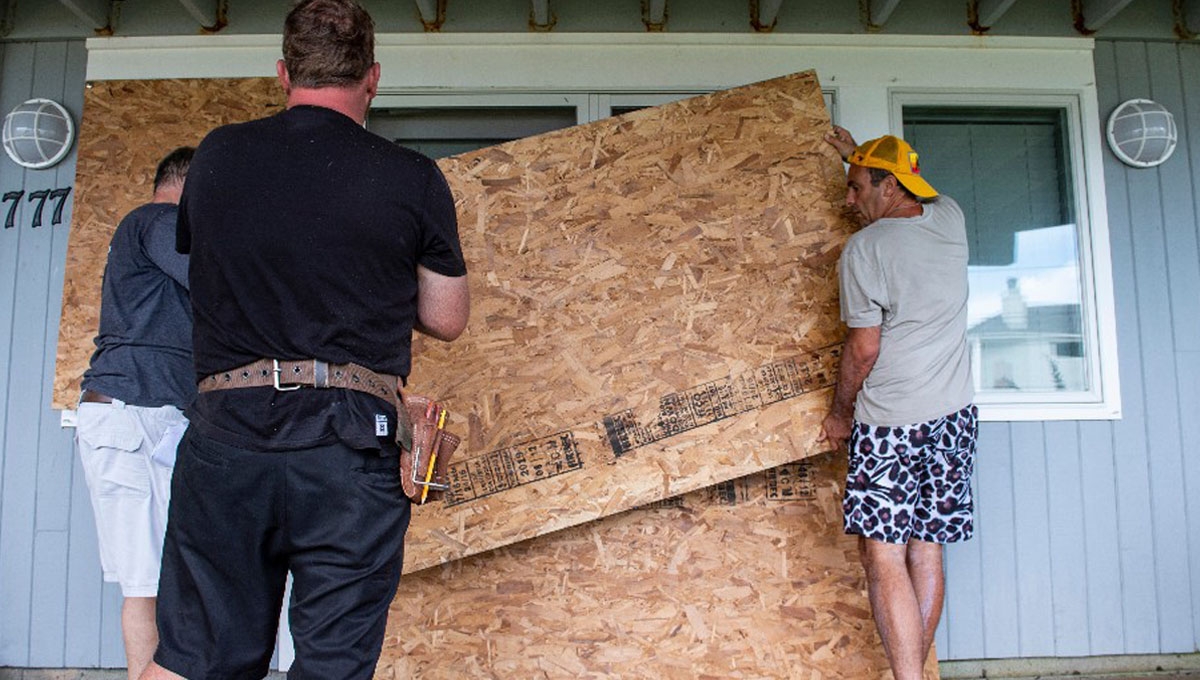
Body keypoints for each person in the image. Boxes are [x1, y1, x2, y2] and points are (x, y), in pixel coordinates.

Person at [140, 1, 470, 678]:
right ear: (372, 77)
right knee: (330, 666)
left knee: (196, 660)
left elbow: (208, 261)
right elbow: (446, 316)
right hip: (351, 445)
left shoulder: (218, 157)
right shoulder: (412, 177)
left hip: (228, 435)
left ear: (284, 74)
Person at [817, 126, 976, 680]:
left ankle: (907, 677)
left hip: (891, 423)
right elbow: (913, 190)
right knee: (926, 549)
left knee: (883, 554)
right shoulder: (951, 219)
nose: (848, 200)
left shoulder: (865, 250)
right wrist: (856, 156)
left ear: (887, 188)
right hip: (955, 415)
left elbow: (863, 349)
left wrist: (839, 415)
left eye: (856, 188)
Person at [76, 146, 195, 680]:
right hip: (135, 418)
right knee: (145, 585)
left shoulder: (158, 235)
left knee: (162, 580)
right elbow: (214, 280)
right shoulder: (158, 219)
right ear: (188, 186)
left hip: (151, 419)